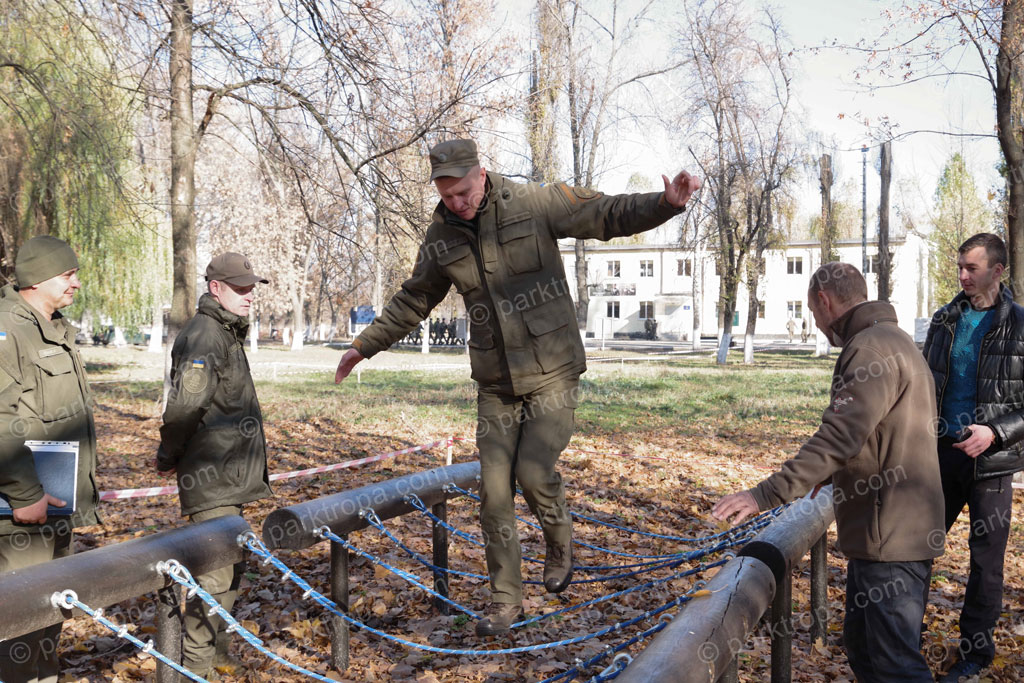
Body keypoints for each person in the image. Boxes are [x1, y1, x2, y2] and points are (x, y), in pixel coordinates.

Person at [335, 139, 700, 636]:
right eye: (447, 196)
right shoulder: (441, 236)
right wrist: (365, 346)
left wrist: (665, 205)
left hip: (553, 370)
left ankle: (559, 538)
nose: (457, 202)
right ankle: (506, 601)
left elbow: (605, 214)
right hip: (495, 383)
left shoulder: (533, 203)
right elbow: (415, 297)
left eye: (463, 191)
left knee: (532, 470)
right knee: (492, 495)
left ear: (481, 175)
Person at [713, 262, 945, 683]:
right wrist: (836, 473)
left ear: (823, 301)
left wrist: (763, 495)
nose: (815, 324)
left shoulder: (870, 348)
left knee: (895, 667)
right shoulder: (894, 340)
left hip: (889, 536)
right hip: (890, 530)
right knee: (866, 653)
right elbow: (878, 435)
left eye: (812, 312)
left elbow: (839, 436)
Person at [156, 252, 272, 679]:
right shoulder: (205, 334)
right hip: (211, 477)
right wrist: (168, 456)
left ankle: (216, 655)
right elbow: (185, 406)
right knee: (214, 579)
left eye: (250, 288)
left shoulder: (225, 331)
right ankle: (195, 670)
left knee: (230, 572)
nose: (248, 296)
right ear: (215, 288)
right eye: (240, 289)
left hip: (230, 477)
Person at [921, 233, 1024, 682]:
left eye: (972, 268)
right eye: (960, 266)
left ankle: (975, 657)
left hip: (993, 465)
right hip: (938, 458)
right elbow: (923, 384)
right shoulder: (945, 319)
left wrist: (995, 433)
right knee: (915, 549)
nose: (962, 275)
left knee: (986, 565)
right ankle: (903, 635)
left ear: (998, 271)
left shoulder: (1020, 325)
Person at [0, 236, 99, 682]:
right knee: (17, 630)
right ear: (38, 279)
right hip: (21, 513)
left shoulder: (53, 328)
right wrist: (25, 494)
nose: (76, 283)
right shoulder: (8, 330)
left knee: (46, 620)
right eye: (68, 274)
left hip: (54, 506)